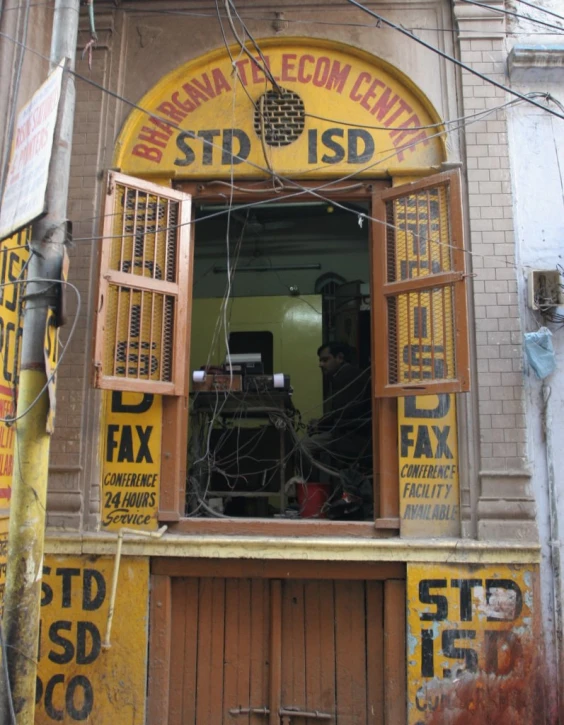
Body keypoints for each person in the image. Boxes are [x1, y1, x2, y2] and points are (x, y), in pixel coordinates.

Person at [300, 342, 371, 476]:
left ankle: (309, 488)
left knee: (303, 446)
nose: (320, 364)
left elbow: (342, 413)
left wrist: (319, 425)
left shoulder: (348, 376)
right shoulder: (344, 374)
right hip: (348, 432)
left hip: (353, 436)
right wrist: (320, 423)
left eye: (325, 360)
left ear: (339, 358)